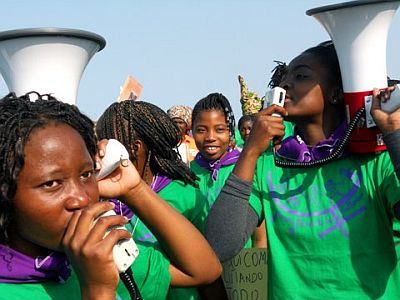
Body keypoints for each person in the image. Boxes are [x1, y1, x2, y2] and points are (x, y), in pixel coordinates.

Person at [205, 41, 400, 299]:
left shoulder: (375, 161)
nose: (285, 85)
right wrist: (250, 152)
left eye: (301, 76)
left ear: (335, 93)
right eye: (284, 78)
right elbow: (219, 245)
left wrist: (393, 134)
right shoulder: (267, 164)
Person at [0, 93, 221, 300]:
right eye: (51, 183)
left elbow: (203, 270)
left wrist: (133, 190)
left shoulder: (83, 258)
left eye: (86, 174)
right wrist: (98, 290)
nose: (81, 199)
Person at [96, 100, 211, 300]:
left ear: (133, 147)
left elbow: (209, 273)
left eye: (108, 143)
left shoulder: (185, 196)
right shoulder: (100, 201)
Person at [191, 93, 266, 249]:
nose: (210, 137)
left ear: (231, 132)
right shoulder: (186, 173)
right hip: (199, 266)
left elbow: (259, 236)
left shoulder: (246, 169)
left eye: (219, 129)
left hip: (241, 266)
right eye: (201, 130)